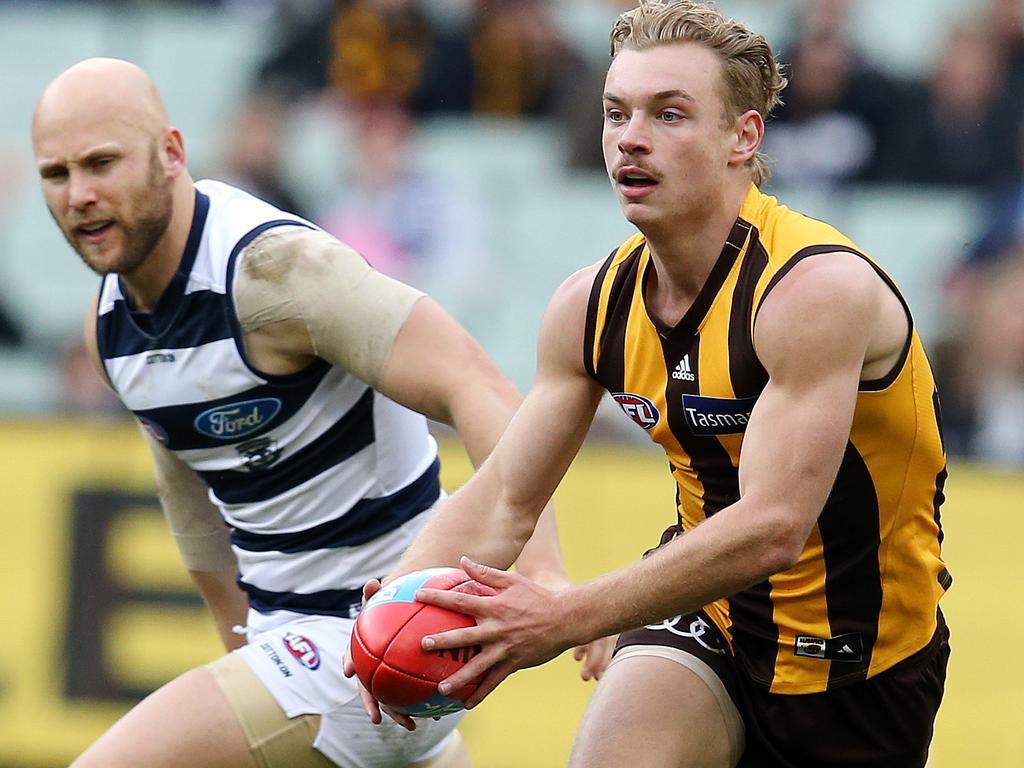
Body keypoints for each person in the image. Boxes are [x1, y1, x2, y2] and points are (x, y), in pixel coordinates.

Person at [347, 2, 952, 766]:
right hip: (710, 615)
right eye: (616, 112)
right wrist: (389, 616)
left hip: (863, 662)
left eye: (669, 114)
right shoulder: (588, 307)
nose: (630, 137)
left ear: (744, 136)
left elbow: (773, 527)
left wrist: (569, 613)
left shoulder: (814, 292)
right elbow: (506, 497)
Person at [31, 58, 609, 768]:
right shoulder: (109, 330)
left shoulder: (277, 271)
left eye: (101, 163)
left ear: (172, 153)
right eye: (56, 175)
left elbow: (478, 386)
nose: (79, 195)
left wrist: (544, 571)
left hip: (381, 637)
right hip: (292, 651)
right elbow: (191, 502)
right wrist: (241, 654)